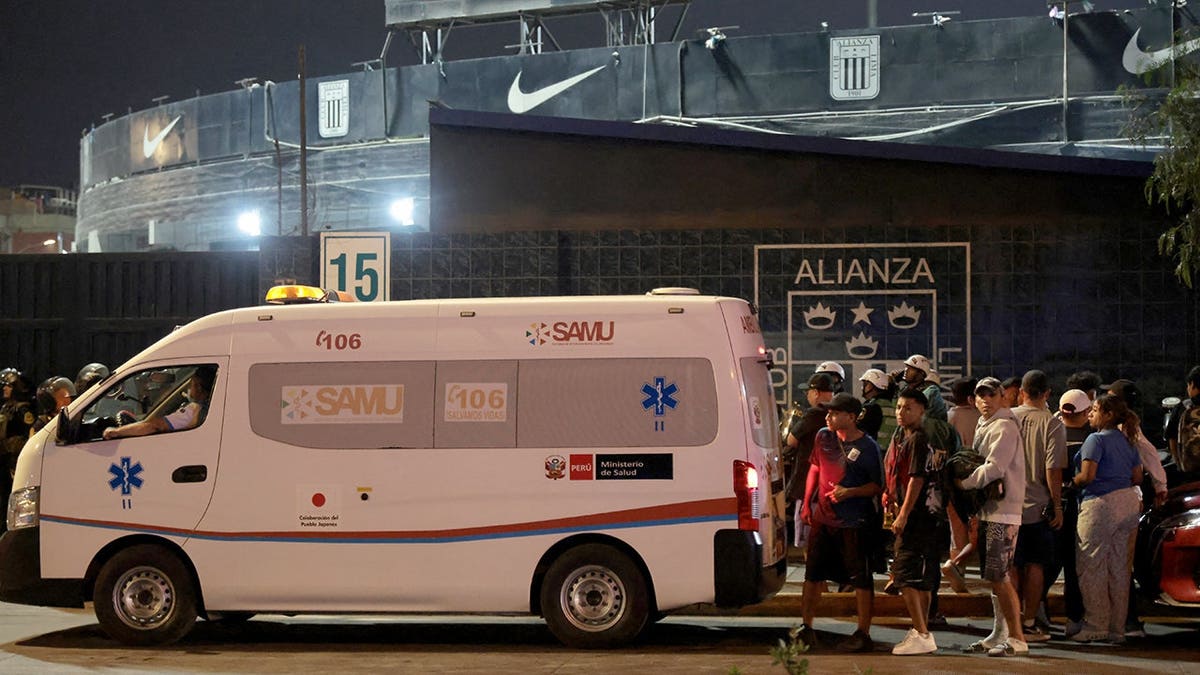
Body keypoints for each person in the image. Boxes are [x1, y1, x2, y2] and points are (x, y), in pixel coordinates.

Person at [795, 393, 882, 653]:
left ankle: (863, 632)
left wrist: (850, 492)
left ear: (852, 417)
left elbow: (876, 486)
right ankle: (806, 627)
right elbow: (814, 468)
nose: (828, 417)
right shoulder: (823, 436)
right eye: (828, 413)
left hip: (854, 522)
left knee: (861, 579)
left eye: (834, 413)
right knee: (812, 574)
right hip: (823, 518)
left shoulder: (868, 447)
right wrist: (808, 501)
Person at [958, 376, 1028, 657]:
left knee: (1000, 576)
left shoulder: (1004, 426)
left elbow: (995, 467)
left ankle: (1017, 638)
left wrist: (963, 483)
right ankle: (1000, 632)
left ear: (1002, 397)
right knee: (995, 576)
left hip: (1003, 511)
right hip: (991, 510)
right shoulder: (985, 424)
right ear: (973, 400)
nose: (985, 400)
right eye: (980, 395)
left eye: (991, 395)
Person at [1069, 394, 1143, 644]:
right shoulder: (1128, 440)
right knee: (1120, 568)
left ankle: (1095, 625)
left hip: (1100, 504)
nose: (1090, 414)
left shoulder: (1095, 440)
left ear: (1108, 415)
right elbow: (1138, 477)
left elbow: (1088, 475)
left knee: (1092, 565)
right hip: (1128, 503)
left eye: (1095, 410)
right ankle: (1116, 629)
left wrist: (1071, 482)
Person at [885, 387, 948, 655]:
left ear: (922, 410)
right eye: (899, 407)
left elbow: (916, 479)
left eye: (908, 407)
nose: (901, 412)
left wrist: (903, 514)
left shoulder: (918, 440)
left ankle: (921, 632)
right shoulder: (907, 438)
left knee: (905, 575)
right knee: (923, 578)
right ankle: (922, 631)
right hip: (926, 518)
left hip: (919, 519)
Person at [1102, 378, 1166, 638]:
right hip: (1126, 502)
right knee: (1118, 564)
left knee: (1114, 564)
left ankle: (1124, 621)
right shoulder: (1125, 431)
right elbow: (1152, 462)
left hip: (1112, 503)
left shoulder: (1119, 432)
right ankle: (1121, 620)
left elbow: (1149, 462)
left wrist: (1160, 487)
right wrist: (1161, 487)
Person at [1009, 370, 1067, 642]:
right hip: (1037, 507)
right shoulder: (1053, 423)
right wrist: (1057, 506)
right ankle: (1029, 622)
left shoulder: (1007, 418)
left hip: (1006, 506)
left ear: (1021, 391)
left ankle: (1011, 623)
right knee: (1035, 566)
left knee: (1010, 566)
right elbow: (1052, 469)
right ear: (1047, 394)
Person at [1054, 388, 1093, 637]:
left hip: (1054, 503)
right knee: (1080, 564)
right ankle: (1078, 617)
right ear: (1087, 411)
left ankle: (1036, 614)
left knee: (1053, 562)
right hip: (1084, 504)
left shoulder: (1052, 431)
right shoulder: (1094, 436)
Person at [785, 373, 836, 552]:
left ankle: (814, 577)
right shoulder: (836, 412)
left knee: (810, 539)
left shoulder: (814, 413)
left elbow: (791, 440)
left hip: (809, 484)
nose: (807, 395)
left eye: (808, 391)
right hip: (830, 484)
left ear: (815, 392)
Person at [102, 368, 215, 440]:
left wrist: (115, 432)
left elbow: (155, 426)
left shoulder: (194, 410)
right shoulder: (213, 408)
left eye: (191, 384)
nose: (189, 389)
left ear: (199, 387)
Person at [1164, 365, 1200, 478]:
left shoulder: (1183, 407)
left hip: (1191, 474)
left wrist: (1179, 465)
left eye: (1188, 385)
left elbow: (1172, 439)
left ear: (1192, 384)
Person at [891, 354, 947, 422]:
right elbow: (894, 410)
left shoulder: (931, 391)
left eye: (911, 368)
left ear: (921, 373)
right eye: (906, 367)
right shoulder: (907, 389)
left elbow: (917, 416)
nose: (906, 370)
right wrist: (895, 384)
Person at [857, 368, 895, 445]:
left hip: (874, 452)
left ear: (873, 386)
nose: (862, 388)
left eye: (865, 384)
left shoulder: (871, 408)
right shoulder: (892, 406)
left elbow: (858, 430)